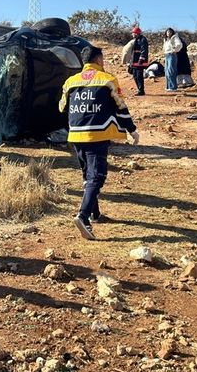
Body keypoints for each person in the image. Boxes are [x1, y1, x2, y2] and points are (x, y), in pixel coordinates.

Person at [59, 45, 138, 240]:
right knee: (97, 177)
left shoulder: (70, 81)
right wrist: (132, 129)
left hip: (76, 135)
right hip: (97, 134)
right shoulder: (107, 80)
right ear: (99, 60)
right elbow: (121, 107)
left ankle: (95, 213)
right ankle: (83, 216)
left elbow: (62, 107)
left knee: (88, 175)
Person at [129, 26, 149, 95]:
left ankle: (141, 91)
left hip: (140, 62)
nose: (132, 34)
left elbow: (144, 51)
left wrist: (141, 59)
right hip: (135, 61)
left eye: (133, 33)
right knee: (135, 76)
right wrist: (130, 62)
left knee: (139, 76)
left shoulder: (143, 39)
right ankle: (139, 89)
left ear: (136, 33)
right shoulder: (135, 40)